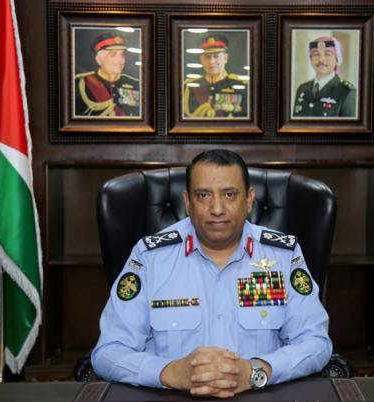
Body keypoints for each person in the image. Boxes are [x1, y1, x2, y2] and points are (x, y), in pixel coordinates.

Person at [92, 149, 332, 398]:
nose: (217, 208)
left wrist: (256, 371)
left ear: (249, 200)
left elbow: (316, 342)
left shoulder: (282, 255)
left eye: (229, 194)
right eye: (203, 195)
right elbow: (109, 351)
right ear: (187, 202)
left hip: (259, 394)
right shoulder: (150, 257)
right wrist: (170, 373)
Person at [75, 33, 140, 117]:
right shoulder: (81, 83)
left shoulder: (135, 83)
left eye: (122, 54)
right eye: (113, 54)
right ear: (99, 60)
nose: (120, 59)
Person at [183, 35, 248, 118]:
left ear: (225, 58)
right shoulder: (189, 86)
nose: (211, 61)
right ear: (201, 60)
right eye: (207, 57)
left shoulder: (241, 85)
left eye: (216, 56)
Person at [293, 36, 356, 118]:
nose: (321, 60)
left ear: (337, 59)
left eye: (327, 54)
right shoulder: (302, 89)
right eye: (316, 54)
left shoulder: (347, 91)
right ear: (310, 59)